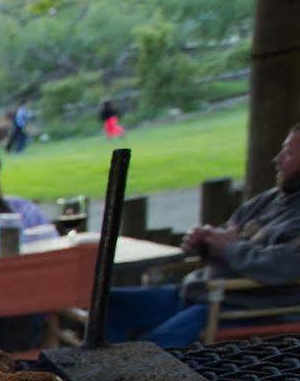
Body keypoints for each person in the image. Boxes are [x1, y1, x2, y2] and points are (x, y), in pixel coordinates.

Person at [101, 122, 300, 347]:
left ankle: (136, 373)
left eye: (288, 153)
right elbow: (227, 233)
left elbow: (282, 265)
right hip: (197, 292)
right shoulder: (270, 199)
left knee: (152, 349)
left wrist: (228, 248)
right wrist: (206, 241)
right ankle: (112, 372)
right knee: (105, 307)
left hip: (239, 309)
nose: (278, 159)